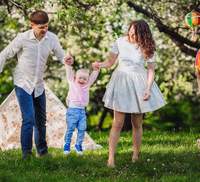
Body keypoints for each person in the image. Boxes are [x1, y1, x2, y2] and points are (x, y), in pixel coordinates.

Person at [0, 10, 73, 159]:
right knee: (29, 119)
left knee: (41, 120)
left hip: (39, 85)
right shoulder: (22, 38)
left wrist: (66, 59)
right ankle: (26, 155)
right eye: (41, 27)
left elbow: (61, 55)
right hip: (23, 83)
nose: (45, 30)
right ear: (32, 25)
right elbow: (4, 55)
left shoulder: (51, 38)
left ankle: (42, 151)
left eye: (46, 26)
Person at [94, 19, 166, 168]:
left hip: (139, 82)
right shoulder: (120, 42)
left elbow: (151, 70)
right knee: (117, 122)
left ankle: (135, 156)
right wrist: (99, 65)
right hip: (121, 82)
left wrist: (147, 89)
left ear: (142, 34)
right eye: (130, 33)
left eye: (134, 34)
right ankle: (111, 159)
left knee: (137, 122)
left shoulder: (146, 46)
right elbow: (110, 62)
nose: (131, 36)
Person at [63, 64, 99, 155]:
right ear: (75, 78)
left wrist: (95, 71)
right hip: (72, 110)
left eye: (84, 79)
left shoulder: (86, 86)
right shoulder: (72, 82)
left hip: (81, 112)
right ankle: (67, 145)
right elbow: (69, 75)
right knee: (70, 128)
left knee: (82, 129)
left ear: (87, 81)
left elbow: (92, 78)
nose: (82, 80)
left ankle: (78, 145)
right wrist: (68, 66)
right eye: (80, 78)